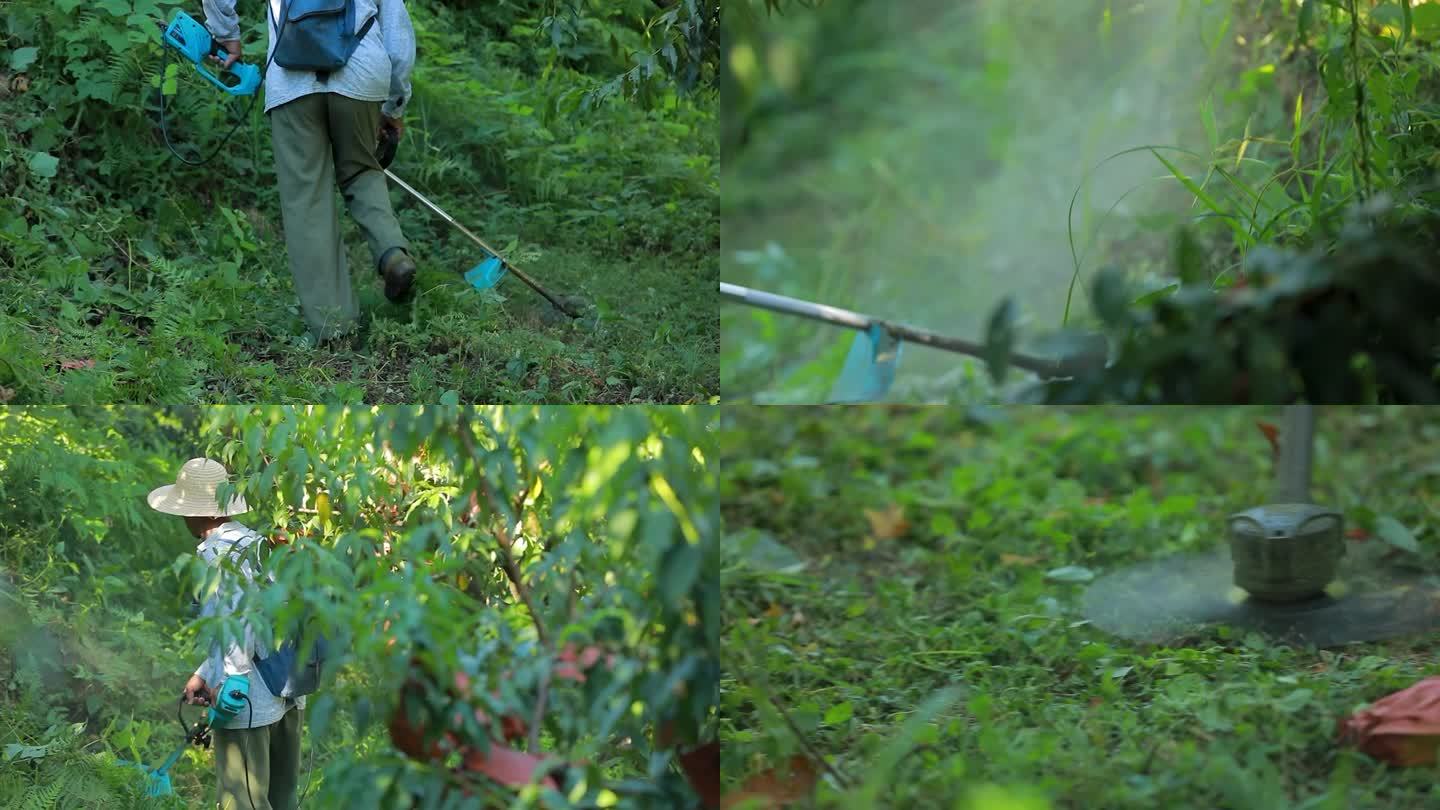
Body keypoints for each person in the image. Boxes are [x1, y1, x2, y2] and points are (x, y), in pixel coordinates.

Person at [201, 0, 418, 346]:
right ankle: (392, 254)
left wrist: (226, 34)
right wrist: (395, 103)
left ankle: (335, 330)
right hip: (361, 69)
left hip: (291, 77)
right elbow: (396, 24)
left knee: (307, 197)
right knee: (363, 169)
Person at [147, 458, 305, 810]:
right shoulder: (259, 544)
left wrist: (230, 682)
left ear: (195, 512)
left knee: (242, 800)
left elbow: (239, 621)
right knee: (283, 798)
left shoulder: (216, 556)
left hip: (251, 702)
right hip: (288, 688)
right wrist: (205, 672)